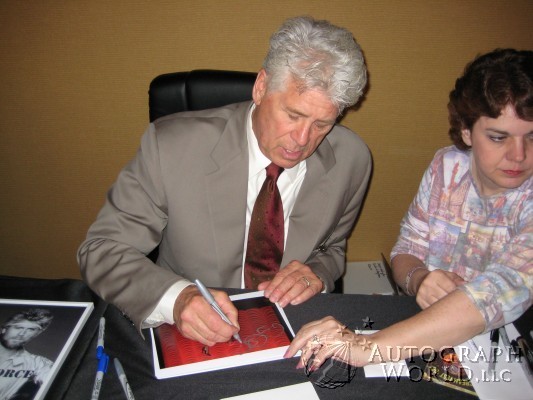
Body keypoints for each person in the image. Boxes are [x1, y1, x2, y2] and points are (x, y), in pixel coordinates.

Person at [78, 16, 371, 346]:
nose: (302, 140)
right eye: (293, 115)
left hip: (290, 330)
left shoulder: (352, 160)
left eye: (322, 124)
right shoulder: (171, 147)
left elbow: (332, 248)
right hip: (188, 331)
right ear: (261, 87)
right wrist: (177, 299)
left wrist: (317, 272)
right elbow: (102, 250)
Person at [285, 48, 532, 370]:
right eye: (499, 137)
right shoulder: (448, 166)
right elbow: (406, 251)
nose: (519, 155)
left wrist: (366, 347)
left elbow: (497, 294)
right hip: (421, 334)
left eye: (532, 137)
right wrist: (419, 279)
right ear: (466, 131)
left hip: (510, 349)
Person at [0, 309, 54, 400]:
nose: (22, 334)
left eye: (31, 330)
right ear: (3, 329)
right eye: (18, 327)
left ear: (36, 334)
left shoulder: (38, 364)